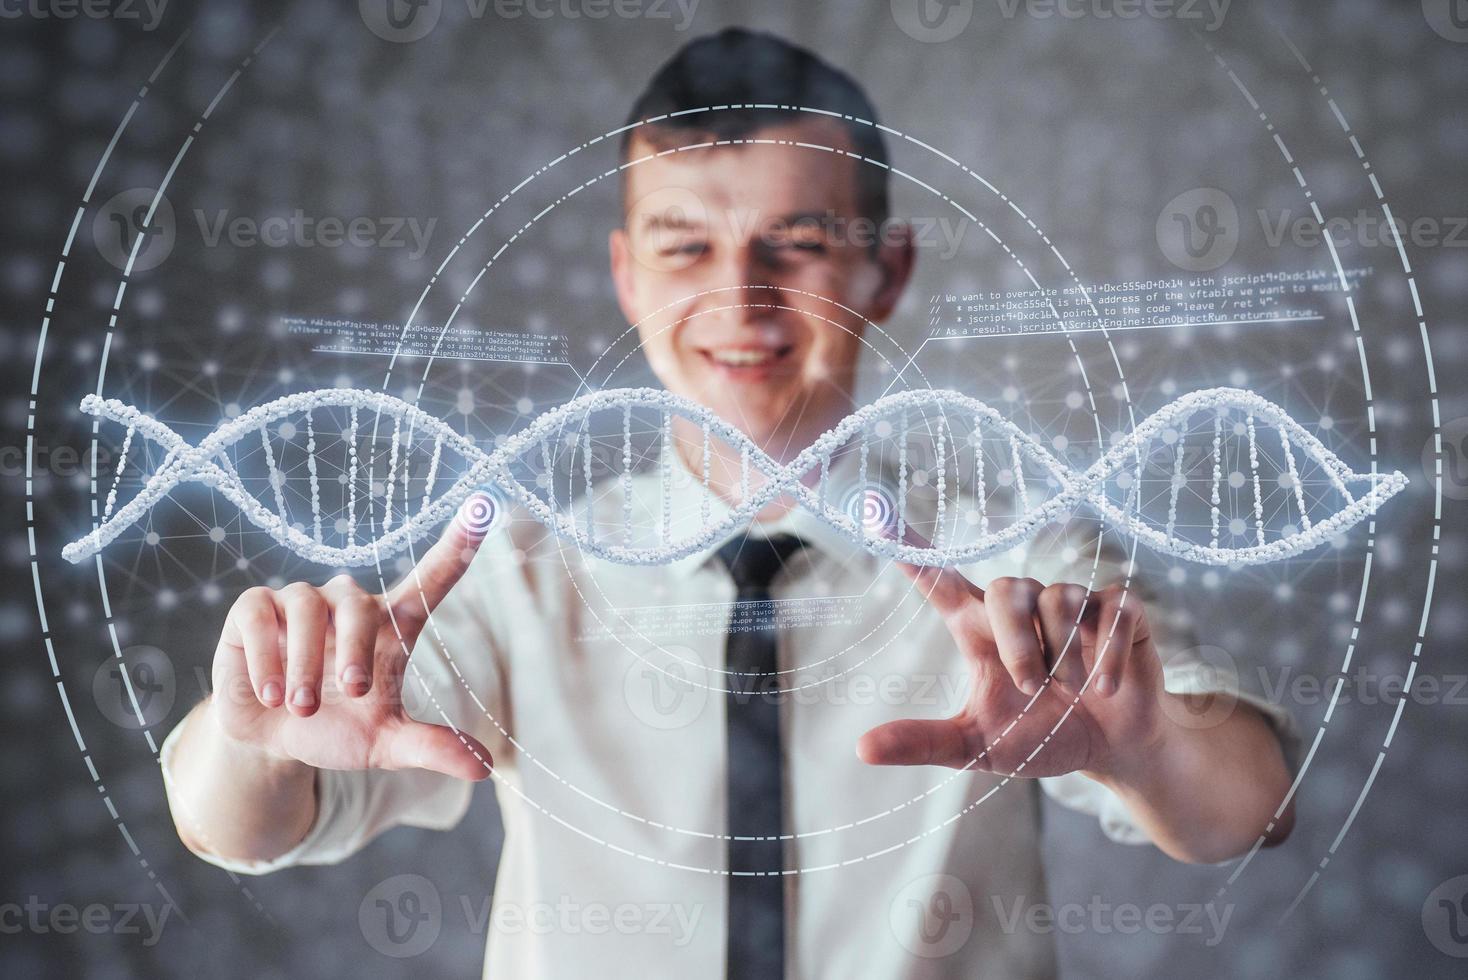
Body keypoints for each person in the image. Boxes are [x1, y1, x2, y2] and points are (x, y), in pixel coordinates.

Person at [161, 28, 1298, 979]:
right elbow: (240, 823)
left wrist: (1143, 747)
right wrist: (256, 735)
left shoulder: (1015, 555)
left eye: (794, 246)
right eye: (685, 246)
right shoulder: (519, 571)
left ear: (884, 271)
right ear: (626, 275)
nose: (737, 299)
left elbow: (1244, 800)